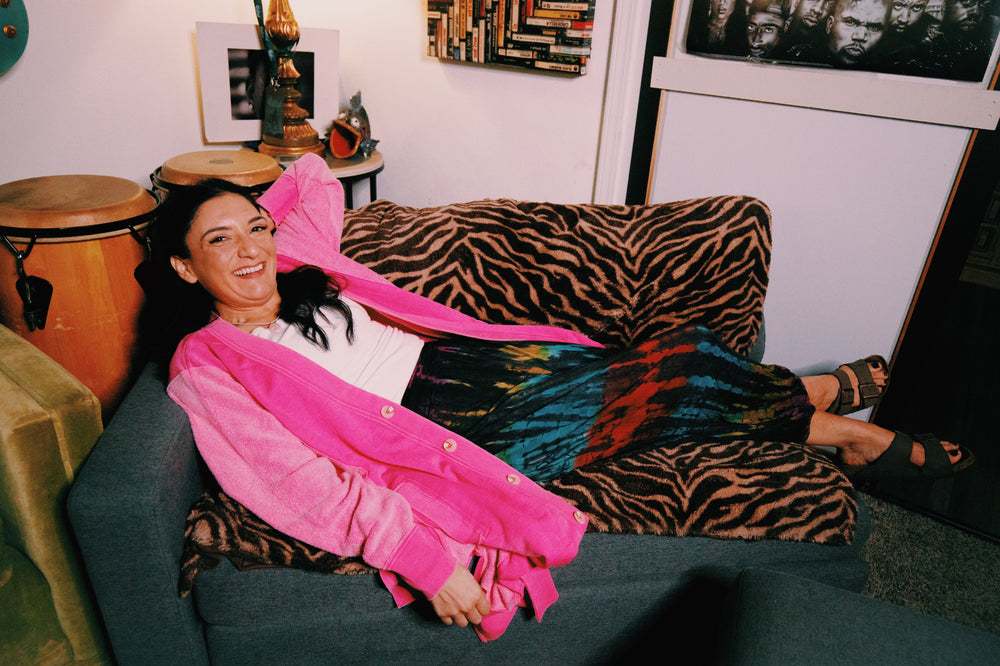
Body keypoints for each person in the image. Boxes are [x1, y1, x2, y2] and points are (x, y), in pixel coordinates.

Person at [148, 153, 972, 639]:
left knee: (679, 353)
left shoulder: (298, 264)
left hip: (471, 363)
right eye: (220, 240)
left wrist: (244, 214)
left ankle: (808, 395)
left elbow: (314, 176)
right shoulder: (207, 362)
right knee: (678, 375)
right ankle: (837, 426)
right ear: (183, 267)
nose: (252, 248)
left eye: (256, 227)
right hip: (443, 426)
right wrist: (419, 558)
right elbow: (295, 482)